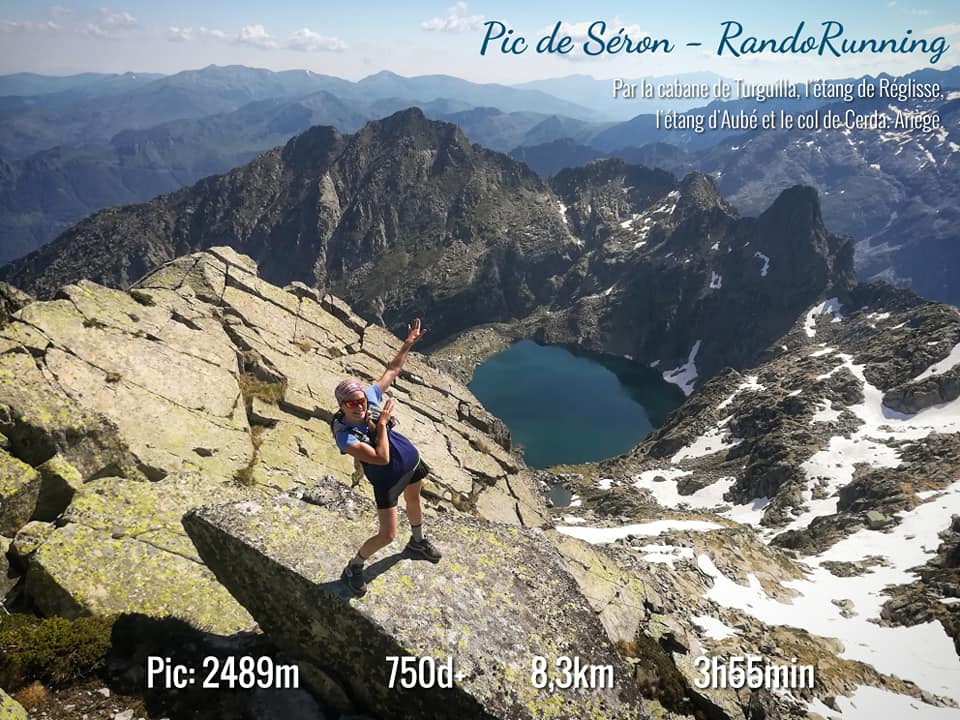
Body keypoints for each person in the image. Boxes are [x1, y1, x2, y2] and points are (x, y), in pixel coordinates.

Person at [333, 318, 442, 596]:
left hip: (411, 463)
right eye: (351, 403)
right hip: (387, 480)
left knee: (414, 500)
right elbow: (380, 458)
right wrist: (381, 425)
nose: (359, 407)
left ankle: (417, 541)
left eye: (361, 401)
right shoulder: (346, 437)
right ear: (341, 406)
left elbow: (392, 370)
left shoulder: (370, 397)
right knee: (388, 535)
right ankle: (354, 566)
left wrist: (407, 344)